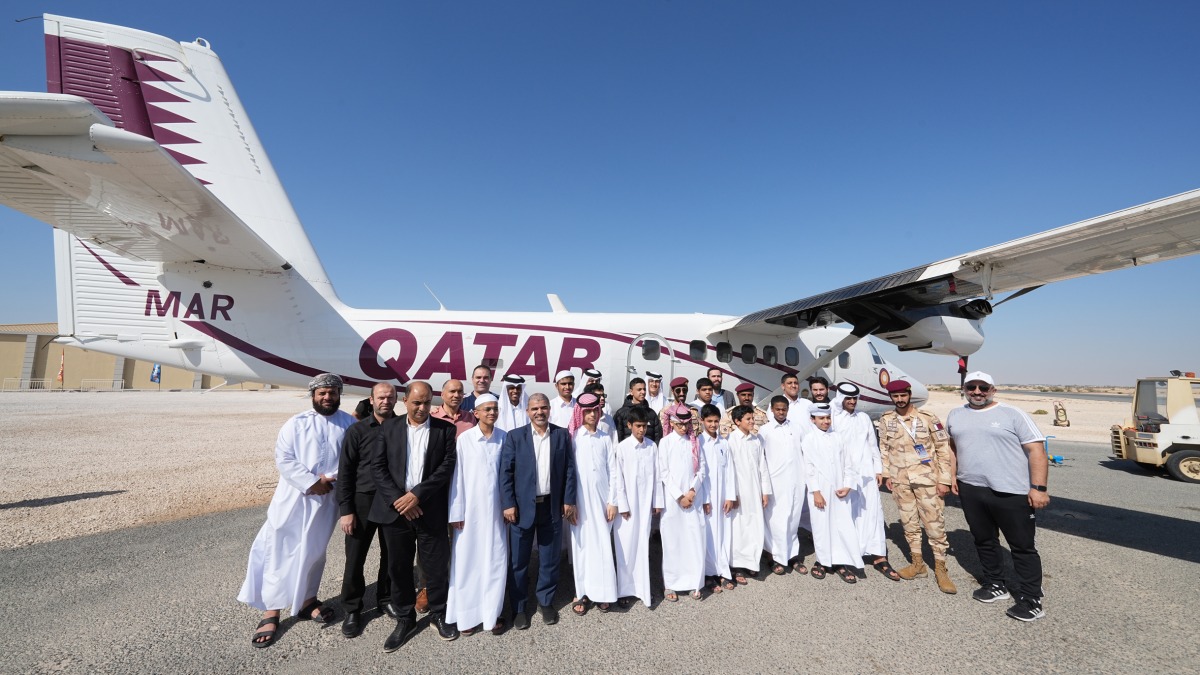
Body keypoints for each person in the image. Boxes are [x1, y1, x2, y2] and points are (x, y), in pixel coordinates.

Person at [239, 373, 355, 649]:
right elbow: (284, 458)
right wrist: (311, 482)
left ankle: (306, 600)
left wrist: (328, 479)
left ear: (339, 395)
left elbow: (353, 460)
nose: (327, 397)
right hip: (294, 498)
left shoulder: (349, 424)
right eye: (322, 393)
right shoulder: (296, 423)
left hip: (327, 500)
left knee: (315, 551)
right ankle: (271, 610)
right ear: (313, 395)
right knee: (279, 549)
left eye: (332, 393)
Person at [947, 371, 1050, 622]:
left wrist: (1039, 488)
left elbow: (1036, 450)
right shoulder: (956, 414)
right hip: (971, 488)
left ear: (993, 389)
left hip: (1011, 491)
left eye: (984, 387)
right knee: (984, 540)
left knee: (1022, 547)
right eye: (972, 386)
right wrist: (952, 476)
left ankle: (1031, 598)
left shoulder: (1013, 414)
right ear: (964, 388)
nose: (978, 391)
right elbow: (952, 446)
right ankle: (996, 584)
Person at [370, 381, 460, 650]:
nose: (422, 408)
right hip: (397, 513)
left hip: (429, 509)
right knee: (399, 568)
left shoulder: (445, 430)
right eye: (416, 402)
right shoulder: (388, 428)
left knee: (435, 567)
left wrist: (417, 495)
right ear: (405, 401)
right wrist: (401, 500)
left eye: (427, 402)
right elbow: (378, 467)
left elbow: (446, 468)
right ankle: (405, 617)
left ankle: (438, 613)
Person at [500, 393, 578, 629]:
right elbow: (506, 473)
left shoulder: (561, 434)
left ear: (549, 409)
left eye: (543, 407)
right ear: (527, 411)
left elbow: (569, 470)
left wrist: (568, 500)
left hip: (551, 507)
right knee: (519, 561)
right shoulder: (515, 437)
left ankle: (545, 601)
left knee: (549, 559)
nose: (540, 412)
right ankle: (520, 607)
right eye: (534, 408)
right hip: (522, 509)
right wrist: (508, 503)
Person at [878, 379, 957, 594]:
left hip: (927, 480)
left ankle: (941, 569)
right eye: (896, 396)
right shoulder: (886, 420)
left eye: (903, 395)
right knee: (909, 524)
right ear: (891, 397)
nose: (900, 399)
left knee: (934, 525)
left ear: (909, 394)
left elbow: (942, 450)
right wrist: (886, 474)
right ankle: (918, 564)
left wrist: (945, 480)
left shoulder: (928, 418)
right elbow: (884, 448)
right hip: (901, 481)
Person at [337, 382, 399, 639]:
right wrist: (346, 509)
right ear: (371, 400)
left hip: (393, 501)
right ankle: (352, 608)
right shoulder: (357, 430)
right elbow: (346, 472)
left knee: (392, 555)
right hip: (362, 501)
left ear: (397, 400)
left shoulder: (403, 428)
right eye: (381, 397)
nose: (386, 401)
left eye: (390, 397)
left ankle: (385, 598)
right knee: (355, 558)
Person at [446, 394, 508, 635]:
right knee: (468, 562)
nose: (492, 413)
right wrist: (456, 511)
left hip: (496, 513)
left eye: (495, 409)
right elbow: (457, 478)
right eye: (487, 409)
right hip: (469, 514)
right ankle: (467, 616)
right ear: (477, 413)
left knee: (495, 561)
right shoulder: (465, 439)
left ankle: (492, 613)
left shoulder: (505, 438)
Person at [567, 393, 625, 615]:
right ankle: (581, 591)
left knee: (601, 545)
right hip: (580, 501)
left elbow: (614, 472)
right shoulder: (573, 438)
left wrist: (613, 501)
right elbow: (568, 473)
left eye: (594, 411)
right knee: (581, 546)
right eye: (587, 411)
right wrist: (570, 503)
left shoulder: (605, 438)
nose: (591, 415)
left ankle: (604, 592)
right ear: (580, 413)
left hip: (603, 500)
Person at [834, 383, 899, 581]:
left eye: (855, 398)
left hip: (866, 473)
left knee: (872, 513)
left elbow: (872, 444)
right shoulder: (833, 419)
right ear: (840, 399)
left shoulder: (863, 418)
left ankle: (878, 555)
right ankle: (846, 557)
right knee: (846, 515)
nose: (852, 402)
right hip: (843, 475)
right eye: (848, 398)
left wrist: (878, 469)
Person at [613, 407, 664, 609]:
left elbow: (657, 475)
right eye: (638, 426)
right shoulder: (623, 448)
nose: (642, 430)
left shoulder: (652, 447)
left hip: (645, 505)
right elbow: (618, 479)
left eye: (644, 426)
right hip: (628, 506)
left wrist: (657, 502)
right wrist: (622, 505)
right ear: (629, 426)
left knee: (643, 544)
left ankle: (643, 587)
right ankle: (625, 589)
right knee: (627, 546)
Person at [802, 404, 859, 583]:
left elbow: (849, 463)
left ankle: (841, 562)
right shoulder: (809, 439)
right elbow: (808, 468)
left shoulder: (838, 437)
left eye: (828, 418)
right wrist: (816, 492)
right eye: (821, 418)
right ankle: (823, 561)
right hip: (819, 490)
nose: (826, 421)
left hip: (839, 489)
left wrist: (848, 485)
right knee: (821, 527)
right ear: (813, 420)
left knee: (841, 525)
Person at [658, 407, 710, 601]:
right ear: (671, 423)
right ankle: (671, 584)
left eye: (686, 424)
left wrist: (692, 490)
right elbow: (664, 472)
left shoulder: (694, 442)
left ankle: (694, 583)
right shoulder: (665, 442)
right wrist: (679, 496)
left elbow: (702, 469)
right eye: (679, 424)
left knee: (694, 539)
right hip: (673, 501)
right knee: (673, 541)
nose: (683, 427)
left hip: (693, 498)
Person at [759, 395, 807, 576]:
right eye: (777, 409)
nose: (781, 412)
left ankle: (792, 555)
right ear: (771, 409)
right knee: (775, 520)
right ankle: (773, 556)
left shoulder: (797, 428)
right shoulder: (765, 430)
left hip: (796, 480)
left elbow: (805, 452)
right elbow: (761, 459)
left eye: (784, 409)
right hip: (774, 483)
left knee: (793, 519)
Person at [726, 405, 771, 583]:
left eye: (752, 418)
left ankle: (752, 563)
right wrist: (732, 494)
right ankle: (736, 566)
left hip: (755, 490)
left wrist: (765, 491)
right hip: (738, 493)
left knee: (754, 526)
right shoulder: (730, 440)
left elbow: (763, 466)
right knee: (739, 529)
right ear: (737, 422)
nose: (752, 422)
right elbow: (729, 470)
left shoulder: (756, 440)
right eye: (748, 419)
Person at [699, 404, 737, 593]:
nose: (713, 425)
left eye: (716, 421)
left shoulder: (724, 443)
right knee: (709, 535)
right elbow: (700, 474)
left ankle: (723, 570)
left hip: (723, 497)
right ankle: (708, 574)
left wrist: (730, 496)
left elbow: (729, 470)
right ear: (702, 421)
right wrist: (705, 499)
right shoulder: (698, 442)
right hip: (707, 498)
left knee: (723, 534)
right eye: (709, 421)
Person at [613, 377, 664, 444]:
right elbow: (617, 436)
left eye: (644, 389)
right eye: (639, 389)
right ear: (631, 392)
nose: (643, 392)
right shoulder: (621, 413)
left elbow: (658, 436)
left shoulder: (651, 413)